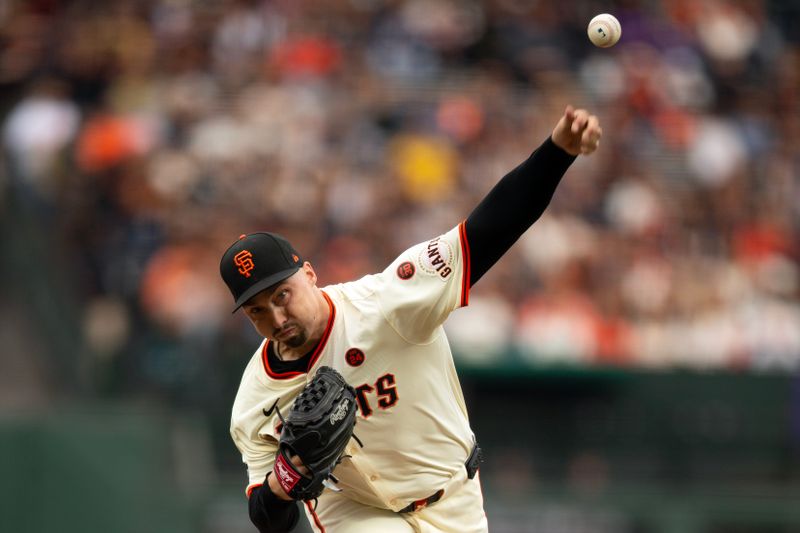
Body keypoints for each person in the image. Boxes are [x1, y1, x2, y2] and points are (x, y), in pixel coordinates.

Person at [220, 105, 603, 533]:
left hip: (453, 494)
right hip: (354, 512)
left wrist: (557, 154)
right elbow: (268, 519)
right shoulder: (256, 400)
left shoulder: (389, 301)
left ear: (310, 274)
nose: (276, 316)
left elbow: (490, 228)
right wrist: (284, 479)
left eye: (282, 295)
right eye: (258, 310)